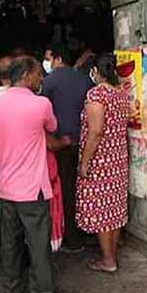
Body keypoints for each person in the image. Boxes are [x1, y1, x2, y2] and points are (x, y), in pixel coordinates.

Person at [0, 56, 71, 293]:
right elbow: (52, 129)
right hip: (33, 189)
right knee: (38, 245)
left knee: (10, 244)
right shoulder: (40, 104)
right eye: (37, 74)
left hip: (7, 188)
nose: (41, 79)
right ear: (25, 75)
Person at [76, 54, 130, 273]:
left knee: (102, 212)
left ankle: (108, 260)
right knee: (114, 211)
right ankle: (111, 256)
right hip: (117, 159)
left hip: (101, 161)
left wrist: (85, 163)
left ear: (96, 71)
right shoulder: (121, 94)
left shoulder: (97, 94)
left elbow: (96, 131)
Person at [42, 46, 92, 254]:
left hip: (61, 144)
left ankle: (70, 237)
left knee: (66, 190)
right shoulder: (84, 79)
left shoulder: (49, 81)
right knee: (86, 189)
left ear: (58, 58)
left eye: (48, 58)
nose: (47, 62)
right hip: (85, 143)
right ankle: (88, 232)